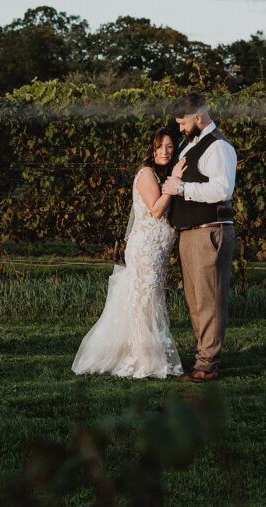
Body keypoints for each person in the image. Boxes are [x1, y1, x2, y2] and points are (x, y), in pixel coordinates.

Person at [71, 127, 185, 379]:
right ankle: (143, 358)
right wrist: (174, 182)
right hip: (145, 248)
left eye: (169, 147)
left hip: (157, 249)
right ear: (152, 149)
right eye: (160, 147)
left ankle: (149, 353)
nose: (165, 152)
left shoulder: (159, 174)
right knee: (144, 301)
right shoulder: (146, 174)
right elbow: (156, 210)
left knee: (150, 299)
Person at [162, 92, 237, 382]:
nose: (180, 128)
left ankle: (207, 364)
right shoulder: (190, 143)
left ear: (197, 117)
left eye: (182, 123)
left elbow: (221, 190)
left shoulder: (218, 146)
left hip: (209, 232)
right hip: (191, 232)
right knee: (195, 300)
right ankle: (202, 358)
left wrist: (181, 189)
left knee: (209, 299)